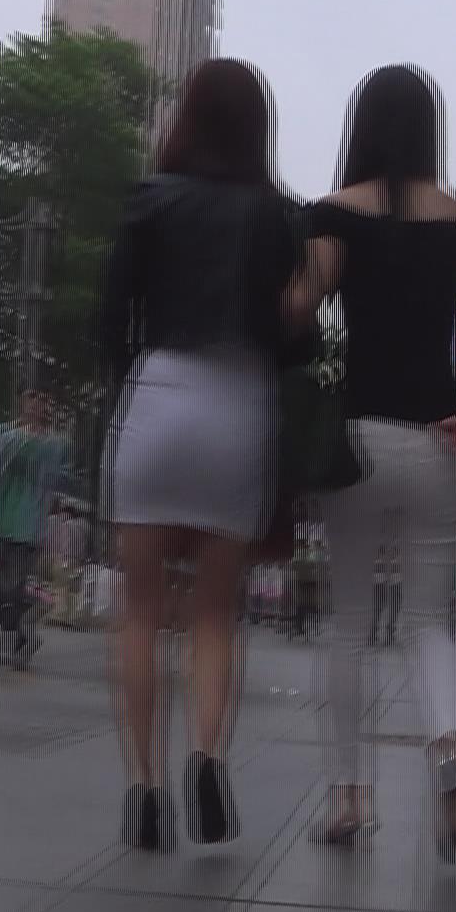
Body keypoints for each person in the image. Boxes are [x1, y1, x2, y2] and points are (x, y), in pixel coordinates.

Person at [286, 63, 456, 861]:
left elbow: (302, 304)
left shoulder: (333, 212)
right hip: (438, 440)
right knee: (430, 621)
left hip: (357, 439)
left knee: (349, 625)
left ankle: (348, 799)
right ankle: (448, 747)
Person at [98, 58, 298, 853]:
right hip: (238, 408)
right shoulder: (280, 216)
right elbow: (294, 335)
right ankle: (208, 757)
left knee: (140, 612)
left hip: (158, 398)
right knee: (215, 614)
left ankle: (144, 788)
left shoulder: (149, 199)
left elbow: (110, 319)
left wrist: (130, 387)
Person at [0, 388, 70, 668]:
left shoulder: (52, 445)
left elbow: (55, 473)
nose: (36, 406)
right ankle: (22, 635)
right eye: (31, 401)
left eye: (42, 402)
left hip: (28, 525)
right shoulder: (10, 436)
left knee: (14, 585)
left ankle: (10, 643)